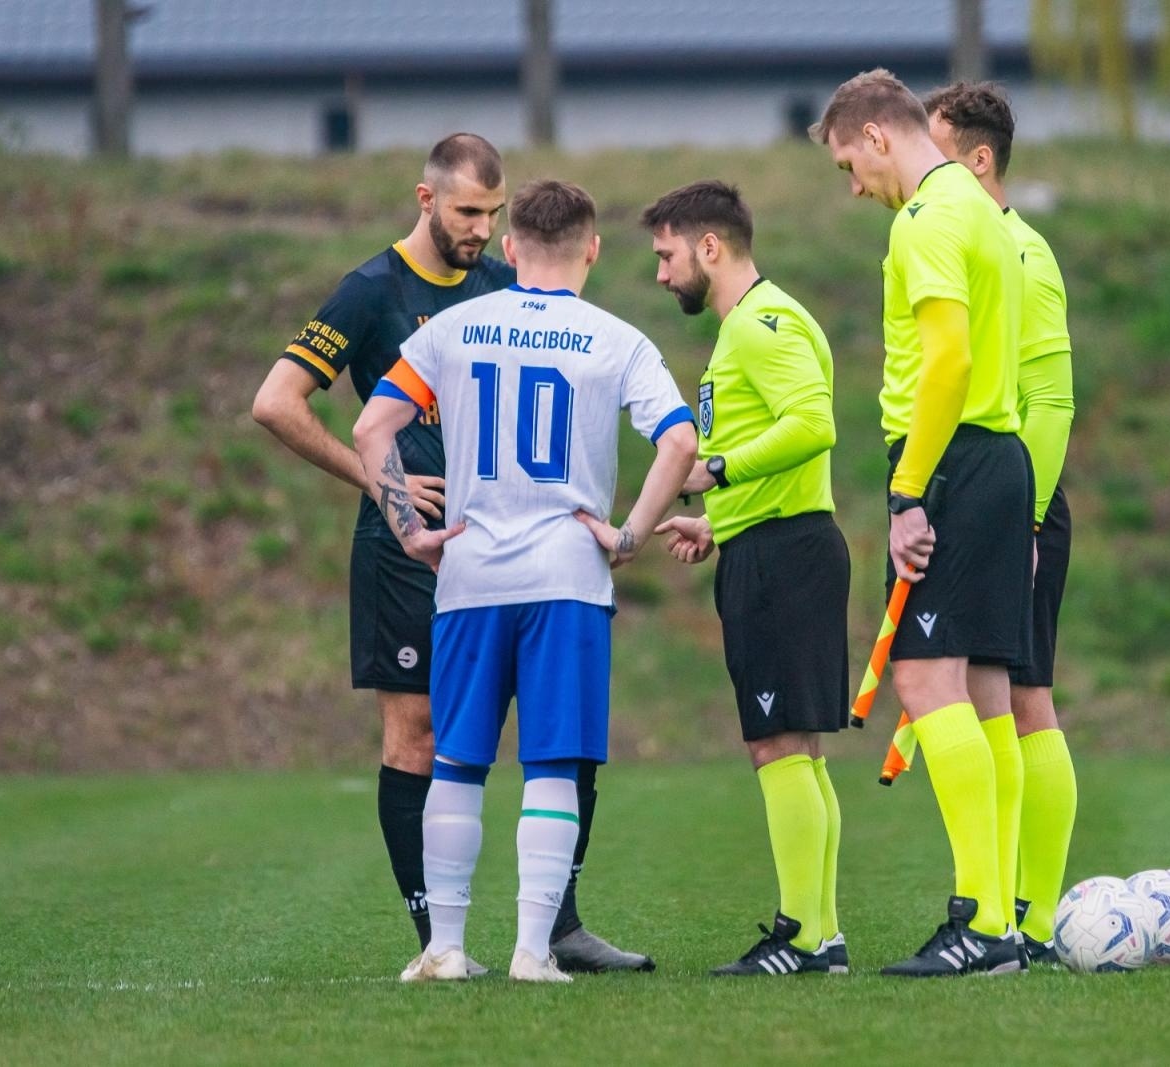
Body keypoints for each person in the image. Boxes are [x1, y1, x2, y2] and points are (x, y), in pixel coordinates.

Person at [252, 135, 652, 974]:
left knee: (558, 736)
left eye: (492, 215)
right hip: (409, 547)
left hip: (505, 546)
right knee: (421, 737)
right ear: (425, 200)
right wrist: (377, 481)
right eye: (467, 211)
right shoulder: (370, 292)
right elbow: (276, 402)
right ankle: (437, 938)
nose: (480, 229)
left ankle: (558, 926)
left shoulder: (506, 285)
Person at [352, 178, 696, 982]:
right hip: (567, 576)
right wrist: (628, 534)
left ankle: (444, 946)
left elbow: (373, 427)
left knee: (458, 761)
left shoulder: (456, 327)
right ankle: (533, 951)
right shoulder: (618, 339)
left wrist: (410, 530)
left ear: (510, 249)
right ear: (593, 250)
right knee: (551, 762)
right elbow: (677, 446)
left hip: (469, 571)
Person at [810, 68, 1033, 977]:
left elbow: (948, 358)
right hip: (991, 456)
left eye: (844, 165)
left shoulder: (928, 216)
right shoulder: (981, 211)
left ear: (875, 137)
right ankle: (994, 917)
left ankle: (983, 920)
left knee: (924, 677)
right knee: (982, 692)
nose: (851, 186)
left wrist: (907, 491)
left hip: (955, 458)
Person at [639, 181, 850, 977]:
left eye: (666, 255)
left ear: (710, 247)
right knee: (797, 746)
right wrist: (718, 519)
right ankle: (820, 936)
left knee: (776, 745)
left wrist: (714, 469)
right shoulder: (751, 327)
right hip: (770, 543)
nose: (661, 274)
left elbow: (815, 423)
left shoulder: (761, 325)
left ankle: (802, 935)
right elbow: (785, 439)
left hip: (785, 555)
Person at [924, 81, 1078, 967]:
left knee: (1024, 697)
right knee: (988, 694)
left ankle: (1037, 914)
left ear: (979, 161)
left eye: (939, 152)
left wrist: (1024, 518)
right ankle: (1001, 914)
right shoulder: (963, 246)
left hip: (1019, 500)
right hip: (977, 496)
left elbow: (1052, 397)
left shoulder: (1022, 251)